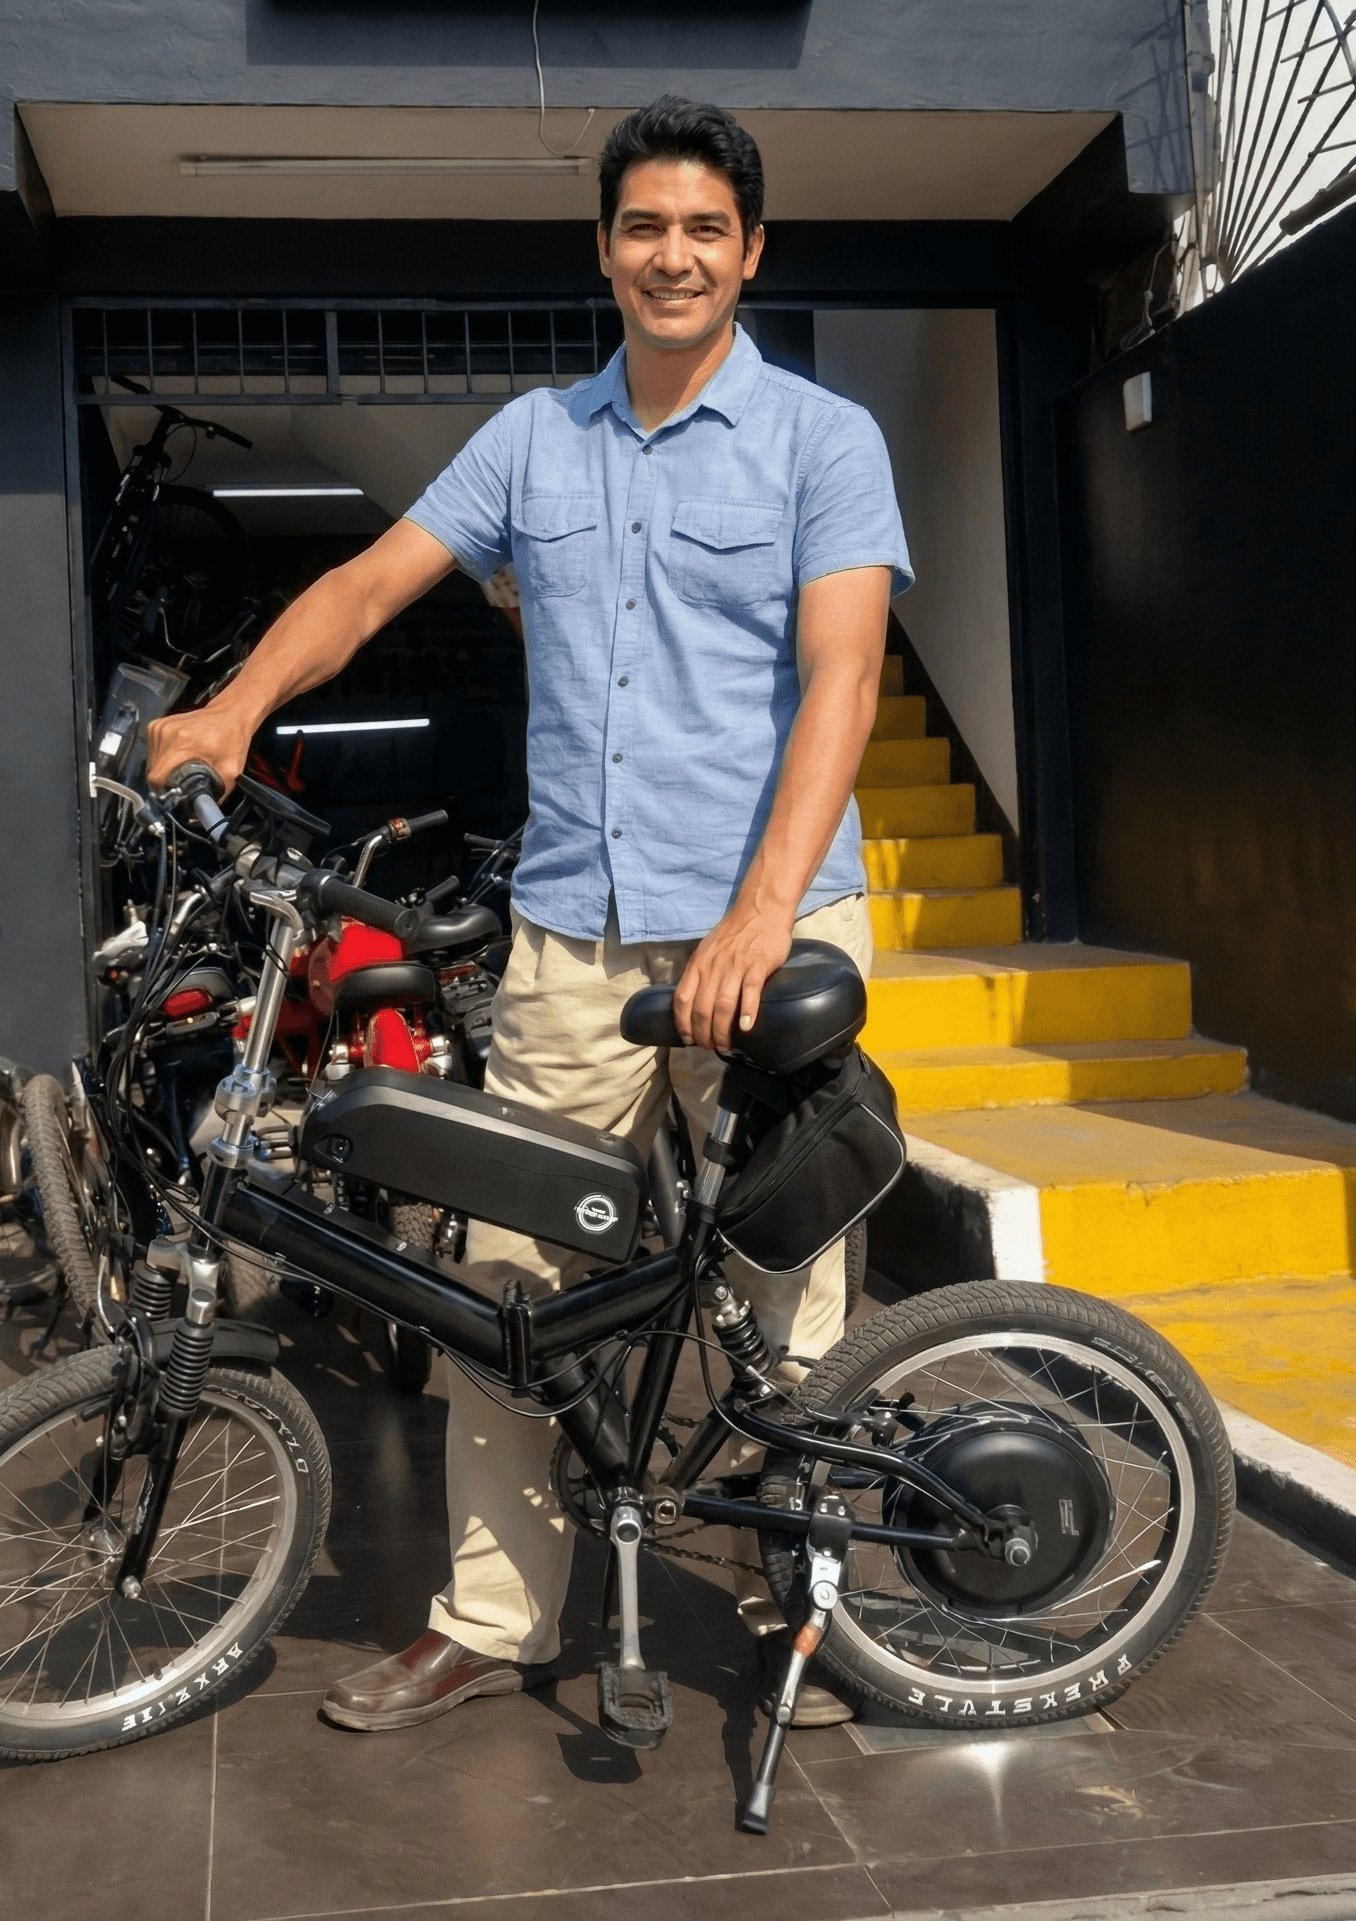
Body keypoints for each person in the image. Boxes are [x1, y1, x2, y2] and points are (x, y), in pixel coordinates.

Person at [149, 95, 912, 1734]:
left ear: (750, 251)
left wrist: (757, 918)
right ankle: (494, 1618)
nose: (675, 254)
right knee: (508, 1274)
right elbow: (366, 587)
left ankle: (814, 1607)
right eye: (646, 226)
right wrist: (228, 710)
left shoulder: (822, 442)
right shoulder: (532, 440)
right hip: (575, 930)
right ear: (606, 249)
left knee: (795, 1279)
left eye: (706, 227)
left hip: (770, 931)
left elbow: (844, 680)